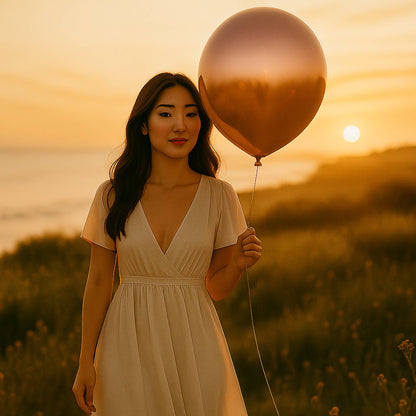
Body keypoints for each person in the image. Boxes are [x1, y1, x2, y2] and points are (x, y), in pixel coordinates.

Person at [72, 72, 262, 416]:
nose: (180, 125)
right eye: (165, 114)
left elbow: (215, 289)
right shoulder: (112, 195)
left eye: (191, 114)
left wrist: (236, 263)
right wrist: (85, 361)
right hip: (125, 347)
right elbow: (99, 282)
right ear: (143, 125)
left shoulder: (220, 196)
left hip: (197, 348)